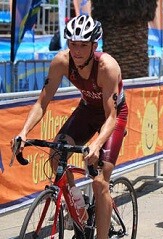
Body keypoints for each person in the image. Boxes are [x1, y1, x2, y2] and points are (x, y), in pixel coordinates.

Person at [12, 15, 128, 239]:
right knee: (56, 153)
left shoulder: (107, 67)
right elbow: (42, 102)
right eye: (72, 44)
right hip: (86, 110)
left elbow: (111, 117)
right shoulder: (61, 62)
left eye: (83, 45)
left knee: (99, 181)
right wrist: (23, 131)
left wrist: (96, 144)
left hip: (113, 115)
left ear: (94, 45)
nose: (77, 50)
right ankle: (79, 209)